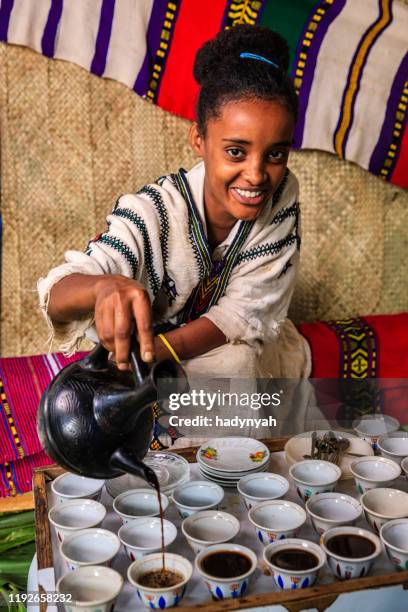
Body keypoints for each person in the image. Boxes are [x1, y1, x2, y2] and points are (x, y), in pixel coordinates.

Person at [38, 25, 317, 443]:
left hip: (201, 357)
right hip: (147, 366)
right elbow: (56, 294)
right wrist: (102, 287)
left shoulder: (282, 196)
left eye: (275, 154)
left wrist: (162, 354)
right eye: (236, 151)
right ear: (199, 139)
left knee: (239, 365)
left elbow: (243, 314)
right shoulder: (153, 214)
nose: (257, 175)